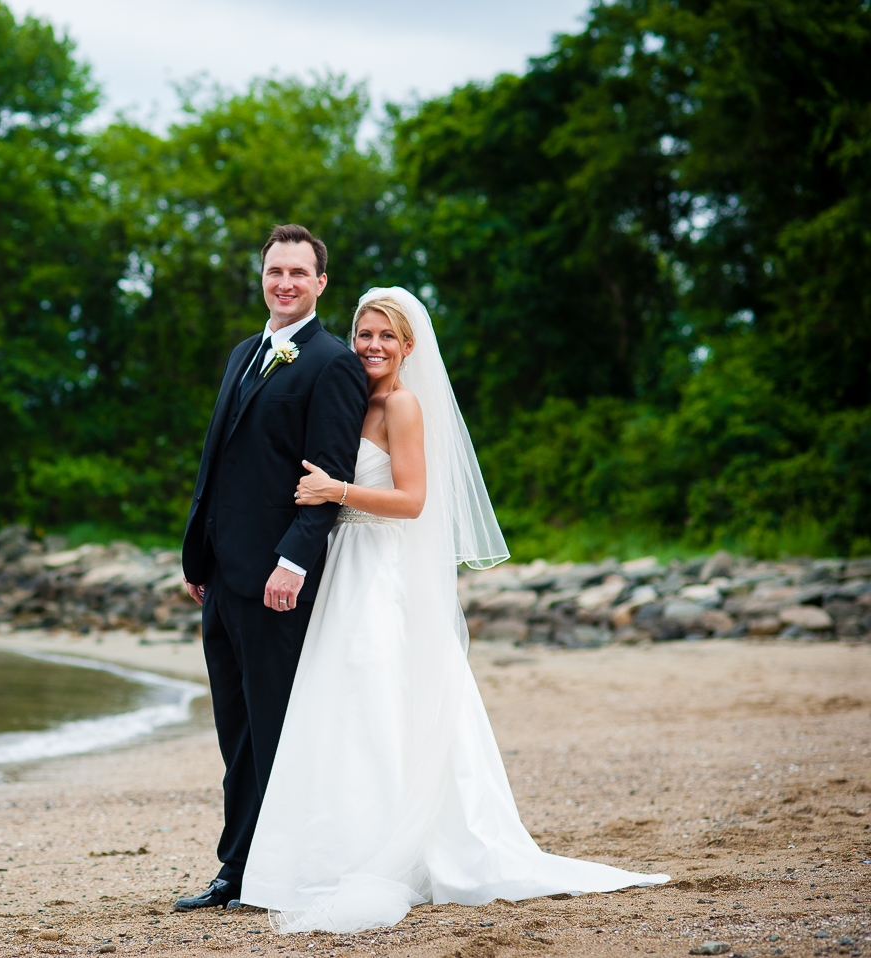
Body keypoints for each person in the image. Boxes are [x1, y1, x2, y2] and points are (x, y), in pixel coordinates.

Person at [238, 286, 669, 933]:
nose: (373, 346)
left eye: (387, 336)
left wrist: (338, 489)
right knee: (343, 702)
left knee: (382, 690)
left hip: (380, 562)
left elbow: (413, 499)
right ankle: (342, 840)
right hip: (345, 565)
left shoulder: (404, 405)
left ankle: (402, 847)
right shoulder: (351, 397)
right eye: (365, 334)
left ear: (409, 346)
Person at [175, 224, 367, 912]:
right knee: (237, 729)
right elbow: (217, 462)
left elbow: (329, 478)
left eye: (297, 272)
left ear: (320, 283)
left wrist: (292, 561)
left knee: (276, 726)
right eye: (273, 271)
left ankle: (248, 873)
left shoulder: (332, 362)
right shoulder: (241, 354)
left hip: (277, 583)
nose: (283, 282)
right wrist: (196, 553)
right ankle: (243, 864)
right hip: (221, 579)